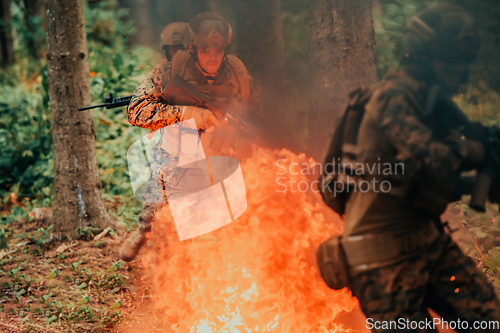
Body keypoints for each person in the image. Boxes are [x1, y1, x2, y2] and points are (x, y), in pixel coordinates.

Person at [320, 3, 500, 332]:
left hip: (428, 245)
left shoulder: (431, 103)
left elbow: (424, 184)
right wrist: (477, 151)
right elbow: (429, 159)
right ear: (421, 55)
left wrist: (483, 182)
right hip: (382, 264)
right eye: (447, 62)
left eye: (461, 64)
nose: (456, 72)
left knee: (490, 322)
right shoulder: (393, 97)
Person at [120, 12, 258, 262]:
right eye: (206, 49)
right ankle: (145, 230)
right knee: (163, 185)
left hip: (223, 156)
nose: (212, 55)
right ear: (193, 47)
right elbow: (136, 111)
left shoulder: (239, 77)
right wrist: (186, 113)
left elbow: (266, 120)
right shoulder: (168, 72)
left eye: (218, 49)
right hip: (178, 153)